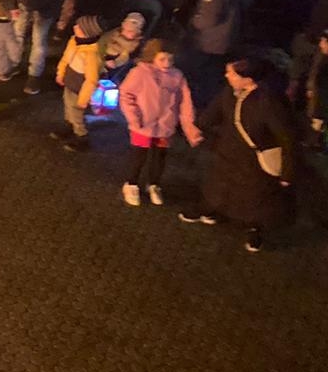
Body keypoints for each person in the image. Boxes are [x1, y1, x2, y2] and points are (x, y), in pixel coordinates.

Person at [181, 57, 298, 252]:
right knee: (220, 184)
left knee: (254, 195)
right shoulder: (230, 92)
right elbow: (213, 112)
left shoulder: (268, 102)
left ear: (248, 79)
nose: (227, 76)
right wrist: (199, 127)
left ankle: (255, 228)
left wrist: (287, 172)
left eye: (232, 73)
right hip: (228, 150)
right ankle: (214, 210)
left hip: (253, 160)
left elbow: (287, 138)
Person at [118, 40, 201, 207]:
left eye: (170, 59)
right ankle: (131, 183)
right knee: (139, 156)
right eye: (162, 59)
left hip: (165, 126)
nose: (167, 63)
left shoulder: (177, 76)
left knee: (159, 157)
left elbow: (186, 103)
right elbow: (126, 94)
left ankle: (154, 184)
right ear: (152, 57)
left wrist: (190, 128)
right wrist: (134, 118)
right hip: (143, 125)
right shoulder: (140, 73)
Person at [51, 15, 104, 152]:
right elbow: (65, 59)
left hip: (79, 88)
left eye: (79, 27)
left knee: (76, 113)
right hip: (70, 81)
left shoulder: (91, 55)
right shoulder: (74, 41)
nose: (75, 27)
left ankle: (81, 136)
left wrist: (83, 99)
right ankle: (70, 126)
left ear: (87, 33)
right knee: (68, 105)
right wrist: (60, 74)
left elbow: (91, 80)